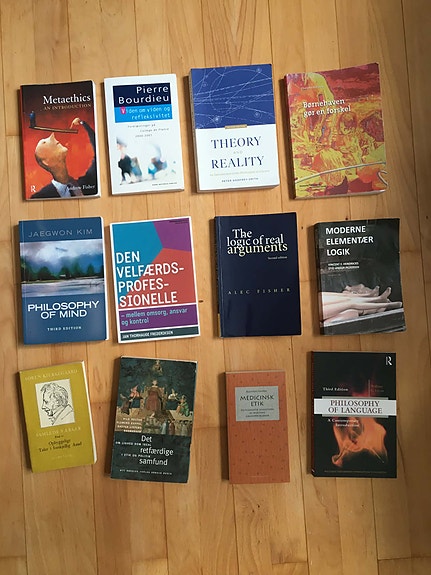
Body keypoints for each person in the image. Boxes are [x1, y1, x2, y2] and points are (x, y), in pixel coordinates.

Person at [31, 117, 98, 198]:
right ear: (46, 162)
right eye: (44, 142)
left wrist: (83, 124)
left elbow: (99, 154)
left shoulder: (88, 183)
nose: (52, 135)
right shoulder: (40, 197)